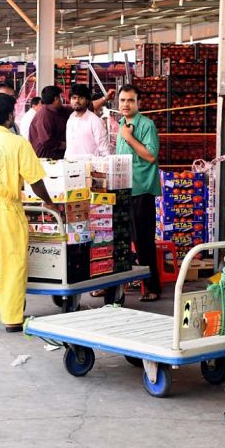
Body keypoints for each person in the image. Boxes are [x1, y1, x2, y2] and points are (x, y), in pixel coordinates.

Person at [0, 93, 53, 333]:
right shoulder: (18, 143)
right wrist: (50, 202)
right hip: (8, 206)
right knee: (12, 261)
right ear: (9, 116)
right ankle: (12, 317)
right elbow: (35, 180)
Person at [115, 84, 162, 302]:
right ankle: (124, 283)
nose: (126, 104)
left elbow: (151, 156)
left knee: (144, 241)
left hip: (142, 190)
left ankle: (152, 286)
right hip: (123, 190)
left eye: (130, 100)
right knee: (123, 241)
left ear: (138, 103)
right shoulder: (121, 125)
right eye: (123, 100)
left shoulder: (146, 125)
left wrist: (129, 138)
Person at [65, 84, 110, 158]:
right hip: (69, 165)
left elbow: (104, 150)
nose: (76, 101)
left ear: (87, 101)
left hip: (89, 167)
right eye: (74, 98)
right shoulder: (71, 118)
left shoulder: (95, 121)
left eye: (81, 98)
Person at [29, 85, 70, 158]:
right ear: (56, 99)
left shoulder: (57, 110)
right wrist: (69, 145)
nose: (62, 100)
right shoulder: (45, 115)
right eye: (61, 97)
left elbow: (70, 108)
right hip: (48, 158)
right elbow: (47, 141)